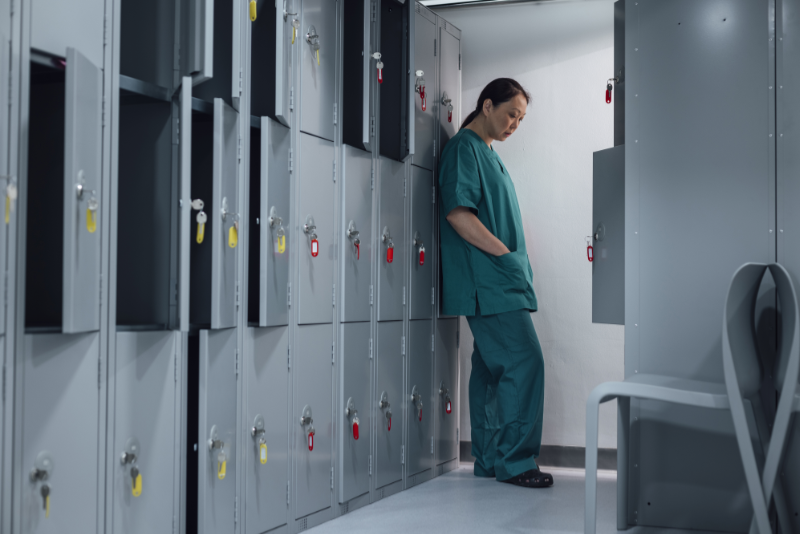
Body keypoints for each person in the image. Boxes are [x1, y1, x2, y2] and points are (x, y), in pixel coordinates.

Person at [438, 78, 551, 488]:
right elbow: (459, 214)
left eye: (520, 119)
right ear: (487, 106)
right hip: (488, 282)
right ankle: (517, 463)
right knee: (525, 362)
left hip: (501, 279)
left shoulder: (488, 152)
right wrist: (505, 256)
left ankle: (488, 460)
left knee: (489, 371)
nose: (514, 125)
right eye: (510, 114)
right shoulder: (464, 149)